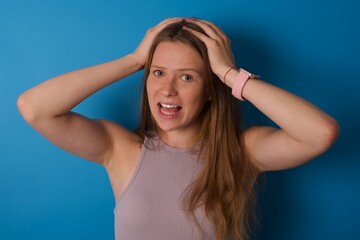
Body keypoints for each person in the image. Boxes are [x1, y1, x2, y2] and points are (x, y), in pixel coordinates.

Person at [17, 18, 339, 240]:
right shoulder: (122, 148)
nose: (167, 89)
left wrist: (229, 74)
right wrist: (134, 60)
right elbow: (34, 108)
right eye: (158, 73)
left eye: (186, 76)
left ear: (211, 88)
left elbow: (319, 132)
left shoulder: (241, 151)